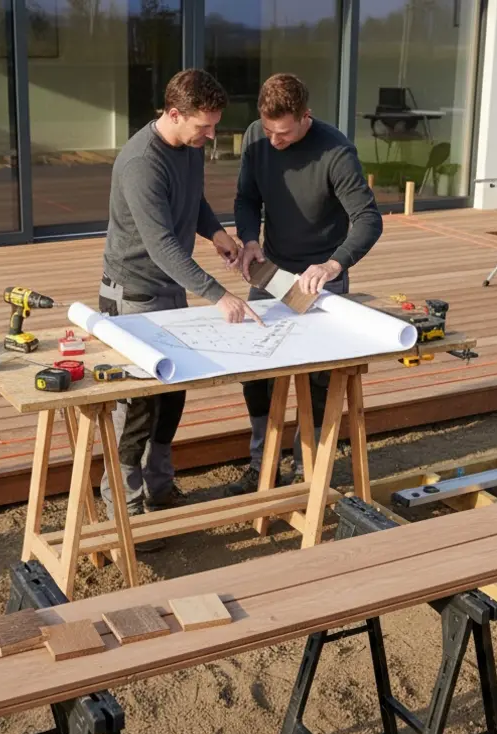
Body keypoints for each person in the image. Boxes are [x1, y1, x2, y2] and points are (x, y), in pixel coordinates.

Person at [100, 69, 261, 537]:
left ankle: (159, 488)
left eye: (214, 126)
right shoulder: (140, 163)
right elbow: (162, 247)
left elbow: (193, 200)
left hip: (167, 287)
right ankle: (124, 511)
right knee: (136, 407)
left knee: (172, 393)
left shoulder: (188, 147)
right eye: (203, 127)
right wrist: (219, 295)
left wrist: (217, 234)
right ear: (173, 114)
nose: (210, 137)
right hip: (133, 293)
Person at [226, 73, 383, 494]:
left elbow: (368, 219)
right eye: (269, 130)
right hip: (271, 272)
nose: (274, 141)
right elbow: (246, 198)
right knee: (256, 369)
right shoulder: (257, 136)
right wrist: (250, 240)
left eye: (284, 133)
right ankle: (265, 461)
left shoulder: (336, 151)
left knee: (316, 379)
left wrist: (332, 266)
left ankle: (308, 466)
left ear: (305, 117)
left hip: (320, 278)